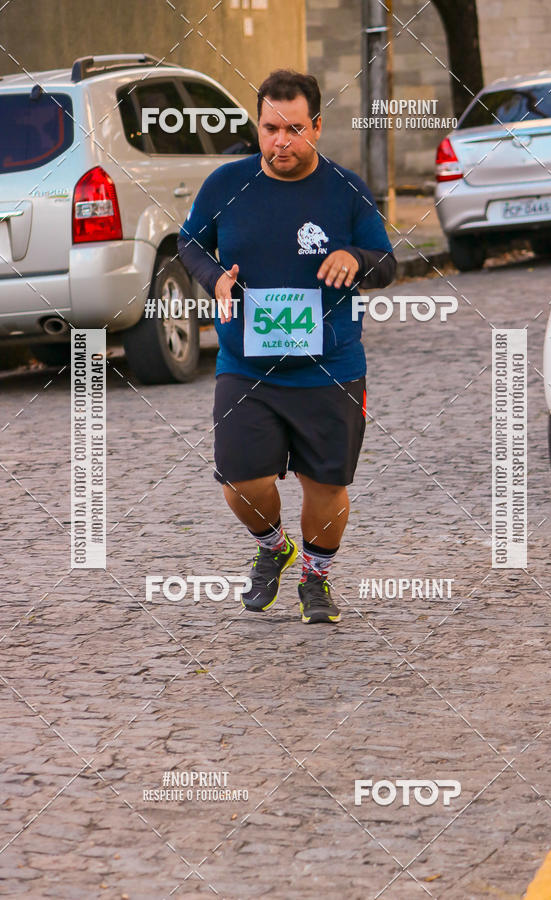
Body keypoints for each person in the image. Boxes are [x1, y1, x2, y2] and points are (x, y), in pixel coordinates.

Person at [178, 69, 396, 624]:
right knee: (239, 478)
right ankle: (274, 546)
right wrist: (215, 279)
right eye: (270, 128)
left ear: (317, 127)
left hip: (330, 365)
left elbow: (387, 261)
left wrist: (357, 259)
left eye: (294, 129)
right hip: (247, 364)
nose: (281, 141)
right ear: (258, 124)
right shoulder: (226, 183)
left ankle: (316, 579)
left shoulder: (346, 189)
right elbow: (190, 243)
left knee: (326, 485)